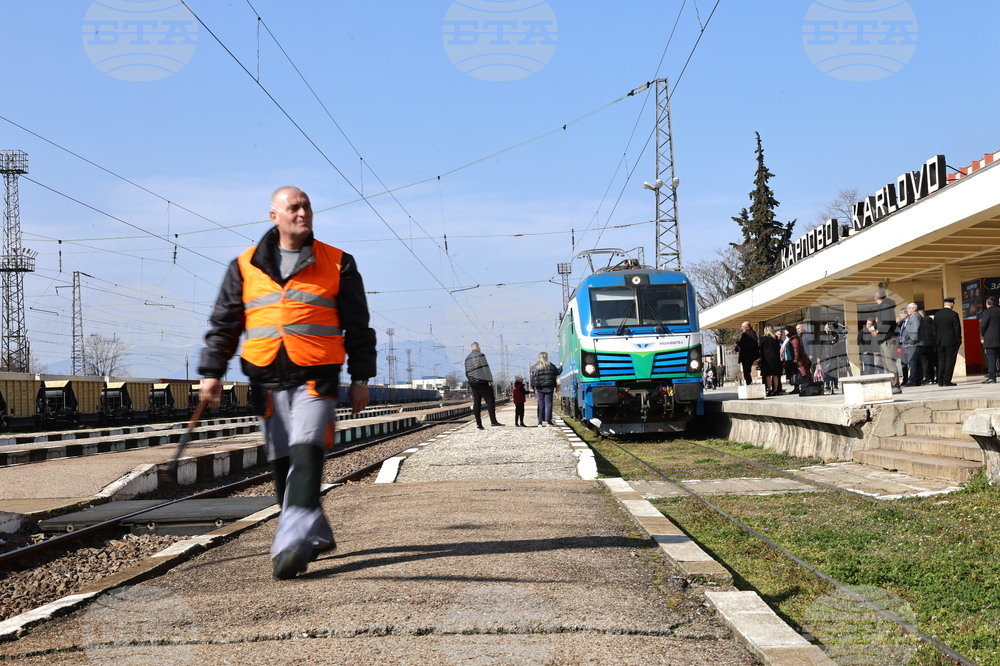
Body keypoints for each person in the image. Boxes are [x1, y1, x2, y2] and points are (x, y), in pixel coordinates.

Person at [198, 186, 377, 580]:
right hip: (265, 380)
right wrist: (212, 372)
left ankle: (290, 542)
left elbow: (359, 326)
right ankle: (315, 532)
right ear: (273, 216)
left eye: (307, 206)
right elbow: (225, 324)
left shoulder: (337, 262)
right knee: (281, 463)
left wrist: (361, 377)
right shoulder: (244, 266)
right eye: (294, 207)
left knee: (307, 451)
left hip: (316, 377)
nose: (303, 213)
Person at [465, 342, 503, 428]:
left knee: (477, 402)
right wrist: (489, 379)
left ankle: (479, 424)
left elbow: (466, 371)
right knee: (490, 400)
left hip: (472, 382)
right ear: (478, 347)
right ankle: (493, 421)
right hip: (482, 381)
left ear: (471, 348)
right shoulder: (480, 355)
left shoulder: (467, 358)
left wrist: (470, 379)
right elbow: (485, 368)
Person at [873, 288, 902, 393]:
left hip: (888, 338)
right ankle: (892, 385)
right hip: (885, 337)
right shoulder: (885, 306)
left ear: (876, 298)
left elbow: (886, 323)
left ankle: (896, 385)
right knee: (886, 363)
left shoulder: (884, 307)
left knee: (889, 362)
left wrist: (878, 329)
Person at [934, 297, 962, 387]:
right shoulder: (953, 314)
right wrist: (959, 340)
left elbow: (933, 329)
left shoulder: (937, 314)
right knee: (950, 361)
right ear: (952, 303)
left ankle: (940, 381)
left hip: (940, 342)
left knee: (941, 361)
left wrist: (937, 339)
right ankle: (947, 381)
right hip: (951, 342)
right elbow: (957, 329)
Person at [530, 351, 562, 426]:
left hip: (539, 388)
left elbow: (532, 378)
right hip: (549, 387)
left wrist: (532, 387)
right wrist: (561, 365)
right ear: (546, 357)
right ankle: (548, 421)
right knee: (549, 404)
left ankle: (540, 422)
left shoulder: (535, 367)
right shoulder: (551, 366)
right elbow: (558, 372)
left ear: (539, 357)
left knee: (540, 404)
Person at [900, 303, 923, 386]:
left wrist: (911, 342)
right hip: (914, 343)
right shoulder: (912, 316)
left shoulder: (915, 316)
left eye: (909, 308)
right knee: (916, 362)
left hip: (914, 344)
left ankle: (913, 380)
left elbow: (914, 330)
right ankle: (918, 379)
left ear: (914, 309)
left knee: (912, 362)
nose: (907, 310)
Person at [785, 325, 810, 393]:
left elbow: (796, 349)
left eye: (786, 330)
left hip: (798, 360)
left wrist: (795, 358)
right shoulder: (792, 338)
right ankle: (798, 388)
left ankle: (804, 387)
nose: (785, 331)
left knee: (802, 373)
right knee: (797, 373)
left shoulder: (794, 339)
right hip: (794, 359)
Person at [980, 296, 1000, 384]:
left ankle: (992, 377)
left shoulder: (987, 312)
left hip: (990, 339)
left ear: (987, 304)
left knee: (991, 358)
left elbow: (983, 325)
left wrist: (983, 335)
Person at [757, 325, 781, 396]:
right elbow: (778, 348)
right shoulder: (775, 338)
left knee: (768, 375)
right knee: (775, 374)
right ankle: (776, 389)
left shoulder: (762, 338)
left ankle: (769, 389)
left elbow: (760, 348)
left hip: (766, 359)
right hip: (775, 358)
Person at [917, 308, 937, 385]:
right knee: (931, 361)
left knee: (924, 361)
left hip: (923, 344)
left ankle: (927, 378)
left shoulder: (919, 321)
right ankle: (932, 378)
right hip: (931, 344)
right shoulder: (931, 321)